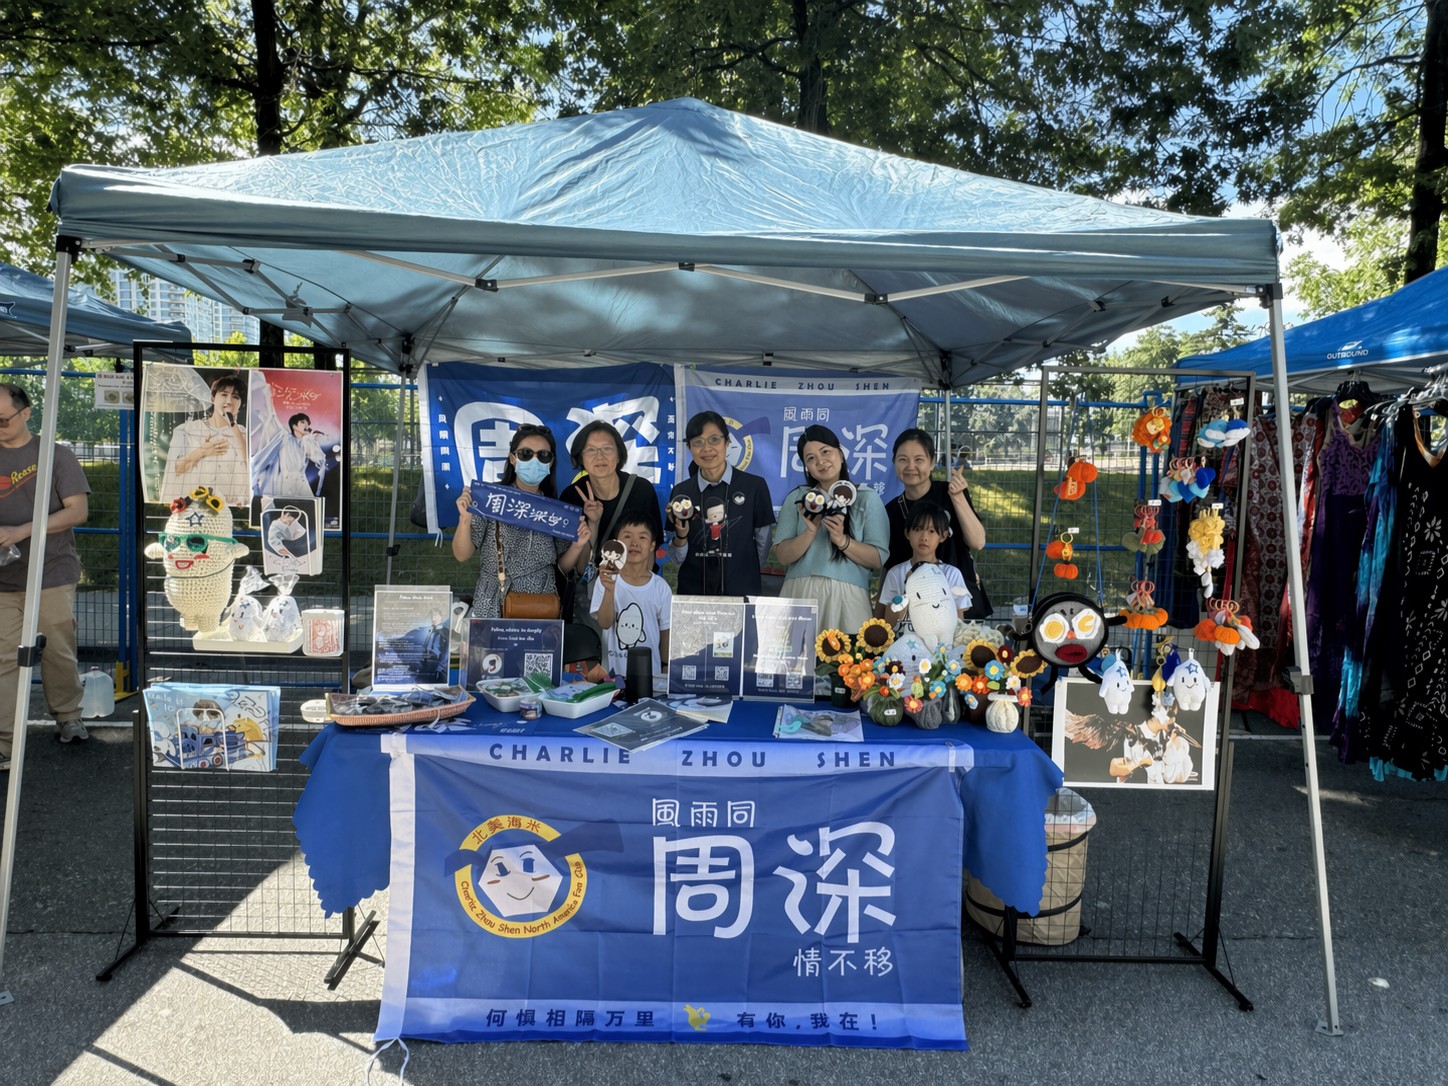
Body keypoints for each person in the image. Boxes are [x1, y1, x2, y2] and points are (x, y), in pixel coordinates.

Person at [0, 383, 91, 768]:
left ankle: (69, 716)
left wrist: (20, 531)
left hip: (51, 571)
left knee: (57, 649)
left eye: (3, 419)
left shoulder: (56, 455)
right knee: (3, 657)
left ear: (26, 413)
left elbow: (77, 512)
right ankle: (5, 739)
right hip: (3, 578)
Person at [452, 423, 591, 619]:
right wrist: (465, 520)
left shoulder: (555, 511)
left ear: (550, 463)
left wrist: (578, 546)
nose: (534, 460)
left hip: (541, 606)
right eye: (526, 453)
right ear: (512, 459)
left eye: (543, 455)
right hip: (493, 606)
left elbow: (563, 566)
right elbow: (461, 554)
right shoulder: (490, 499)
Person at [773, 424, 889, 632]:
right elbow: (782, 555)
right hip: (799, 595)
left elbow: (878, 558)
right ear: (806, 467)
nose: (820, 461)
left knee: (848, 663)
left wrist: (842, 541)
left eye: (825, 452)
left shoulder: (866, 498)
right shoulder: (797, 498)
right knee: (796, 663)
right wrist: (809, 532)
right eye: (810, 458)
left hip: (848, 597)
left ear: (841, 454)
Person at [559, 420, 664, 621]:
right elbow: (577, 567)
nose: (599, 456)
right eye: (591, 450)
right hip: (590, 594)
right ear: (580, 456)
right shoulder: (572, 496)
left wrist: (638, 590)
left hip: (634, 591)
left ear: (619, 454)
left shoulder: (641, 490)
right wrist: (593, 523)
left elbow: (650, 549)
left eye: (607, 448)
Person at [666, 411, 775, 596]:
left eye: (714, 439)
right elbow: (677, 558)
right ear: (689, 447)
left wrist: (742, 570)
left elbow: (763, 544)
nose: (707, 448)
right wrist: (681, 536)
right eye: (698, 442)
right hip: (694, 593)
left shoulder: (754, 486)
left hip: (742, 590)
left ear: (727, 442)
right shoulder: (681, 492)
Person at [887, 428, 990, 619]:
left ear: (932, 462)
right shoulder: (891, 510)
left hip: (959, 603)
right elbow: (890, 566)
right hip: (914, 610)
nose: (910, 466)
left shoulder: (951, 492)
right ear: (894, 462)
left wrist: (957, 498)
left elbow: (978, 542)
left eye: (919, 459)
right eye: (903, 459)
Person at [591, 511, 671, 677]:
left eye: (642, 537)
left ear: (651, 546)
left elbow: (666, 632)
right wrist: (609, 591)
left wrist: (665, 668)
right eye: (627, 537)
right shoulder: (605, 580)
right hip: (613, 675)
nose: (634, 542)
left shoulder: (660, 587)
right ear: (617, 544)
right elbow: (605, 623)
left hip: (650, 674)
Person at [158, 371, 249, 506]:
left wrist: (233, 426)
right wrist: (202, 451)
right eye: (224, 394)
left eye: (236, 397)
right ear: (213, 398)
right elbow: (175, 469)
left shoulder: (245, 435)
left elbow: (250, 469)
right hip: (193, 508)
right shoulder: (186, 430)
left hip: (230, 510)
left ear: (241, 403)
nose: (229, 401)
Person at [874, 501, 971, 623]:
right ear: (907, 533)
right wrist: (907, 591)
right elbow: (890, 622)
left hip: (941, 641)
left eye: (931, 531)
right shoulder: (895, 573)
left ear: (943, 536)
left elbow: (958, 621)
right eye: (918, 529)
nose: (924, 537)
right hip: (905, 639)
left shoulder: (952, 574)